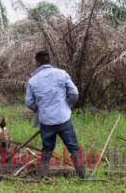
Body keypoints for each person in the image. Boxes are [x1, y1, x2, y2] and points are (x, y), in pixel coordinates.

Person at [25, 50, 86, 178]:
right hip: (64, 119)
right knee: (73, 148)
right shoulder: (61, 74)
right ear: (49, 60)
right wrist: (68, 105)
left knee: (47, 149)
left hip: (46, 121)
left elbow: (29, 102)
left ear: (37, 62)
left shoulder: (33, 81)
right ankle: (83, 175)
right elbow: (74, 93)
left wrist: (40, 109)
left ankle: (42, 176)